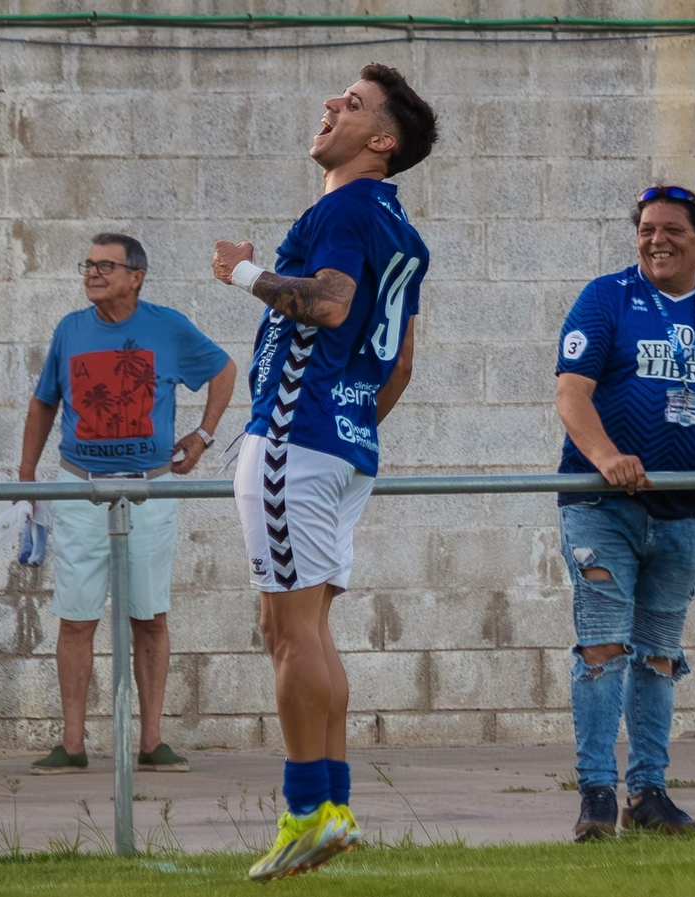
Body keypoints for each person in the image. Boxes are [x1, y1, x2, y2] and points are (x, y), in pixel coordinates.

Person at [210, 62, 437, 882]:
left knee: (288, 631)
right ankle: (332, 806)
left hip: (293, 436)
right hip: (343, 446)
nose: (332, 104)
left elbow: (332, 304)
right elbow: (400, 363)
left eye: (354, 102)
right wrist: (351, 428)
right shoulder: (400, 227)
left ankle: (306, 810)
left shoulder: (344, 206)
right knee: (308, 630)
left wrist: (242, 273)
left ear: (382, 141)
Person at [554, 186, 695, 842]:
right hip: (603, 506)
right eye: (647, 228)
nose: (657, 240)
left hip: (682, 512)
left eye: (673, 229)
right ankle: (596, 794)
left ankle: (648, 793)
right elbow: (571, 393)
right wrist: (606, 456)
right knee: (603, 648)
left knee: (657, 656)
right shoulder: (607, 297)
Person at [18, 233, 236, 776]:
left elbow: (224, 370)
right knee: (76, 617)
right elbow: (44, 402)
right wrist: (26, 476)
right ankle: (72, 744)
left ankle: (152, 741)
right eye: (88, 264)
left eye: (106, 265)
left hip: (150, 488)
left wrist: (203, 435)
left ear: (136, 277)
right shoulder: (70, 330)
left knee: (149, 615)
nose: (92, 273)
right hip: (80, 487)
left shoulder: (168, 326)